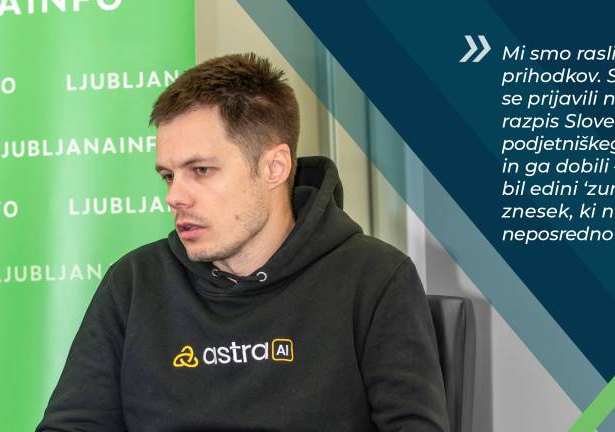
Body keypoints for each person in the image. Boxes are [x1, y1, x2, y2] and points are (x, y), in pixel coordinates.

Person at [37, 53, 449, 431]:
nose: (174, 196)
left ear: (274, 167)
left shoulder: (375, 278)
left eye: (201, 170)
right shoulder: (134, 282)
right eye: (168, 175)